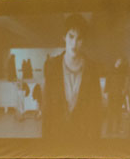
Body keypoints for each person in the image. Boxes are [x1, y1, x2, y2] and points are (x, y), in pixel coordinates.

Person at [41, 14, 103, 142]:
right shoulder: (51, 66)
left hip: (83, 138)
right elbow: (47, 109)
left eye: (79, 38)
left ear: (84, 40)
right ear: (64, 37)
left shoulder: (92, 68)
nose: (74, 43)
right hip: (56, 138)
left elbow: (96, 110)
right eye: (71, 36)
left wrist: (95, 144)